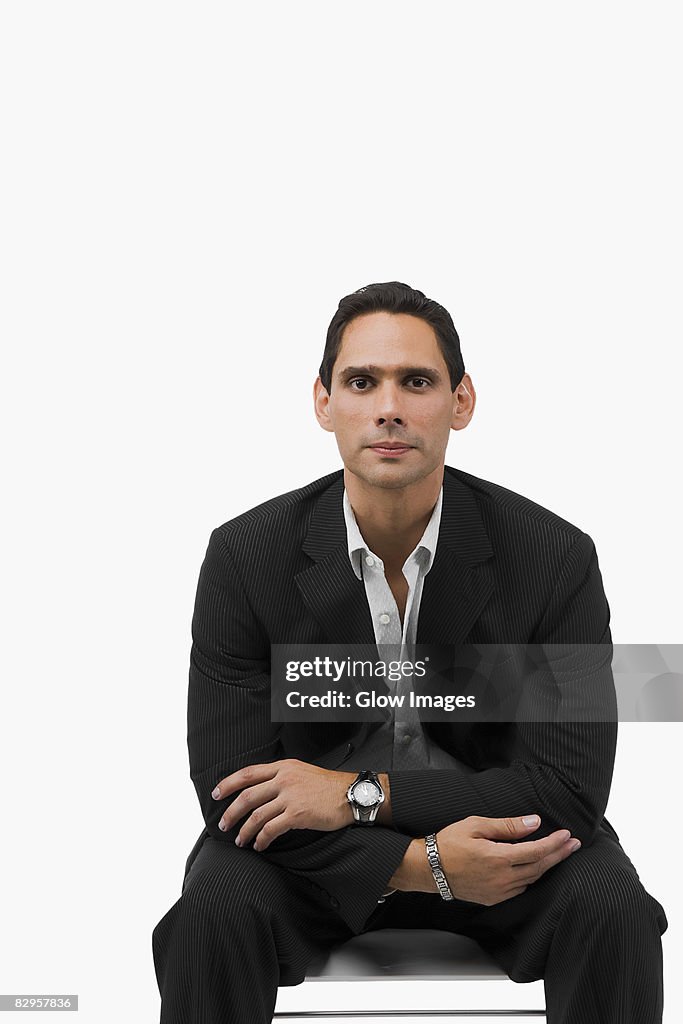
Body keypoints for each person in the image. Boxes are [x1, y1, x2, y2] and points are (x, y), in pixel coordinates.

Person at [152, 281, 667, 1023]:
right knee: (213, 907)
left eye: (415, 381)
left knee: (611, 904)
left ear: (460, 402)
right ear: (323, 402)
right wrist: (413, 864)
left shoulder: (553, 558)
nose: (387, 406)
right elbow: (235, 795)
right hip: (310, 863)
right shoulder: (245, 557)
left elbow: (569, 788)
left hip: (504, 850)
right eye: (361, 381)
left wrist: (359, 794)